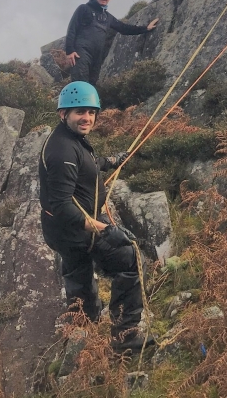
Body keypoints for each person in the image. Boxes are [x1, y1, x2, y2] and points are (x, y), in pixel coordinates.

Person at [39, 82, 147, 351]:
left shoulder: (70, 140)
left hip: (65, 233)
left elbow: (86, 165)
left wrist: (111, 160)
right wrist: (106, 230)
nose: (87, 118)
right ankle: (125, 338)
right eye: (79, 112)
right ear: (63, 114)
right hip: (78, 232)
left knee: (80, 280)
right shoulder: (63, 150)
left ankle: (82, 338)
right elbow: (63, 205)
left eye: (91, 112)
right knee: (128, 261)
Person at [65, 0, 159, 86]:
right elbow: (72, 28)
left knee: (91, 85)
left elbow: (124, 28)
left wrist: (146, 28)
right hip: (81, 52)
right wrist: (70, 50)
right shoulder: (84, 8)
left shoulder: (108, 17)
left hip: (97, 57)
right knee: (80, 82)